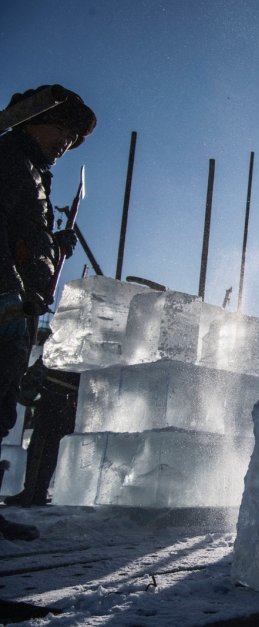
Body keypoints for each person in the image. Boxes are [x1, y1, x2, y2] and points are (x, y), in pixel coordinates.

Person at [0, 85, 95, 539]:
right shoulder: (10, 160)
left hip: (20, 306)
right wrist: (10, 290)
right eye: (63, 130)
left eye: (73, 139)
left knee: (0, 407)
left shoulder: (35, 175)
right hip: (6, 302)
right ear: (33, 118)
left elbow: (24, 241)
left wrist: (54, 247)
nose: (67, 143)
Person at [4, 357, 79, 507]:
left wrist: (27, 395)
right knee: (44, 449)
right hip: (60, 403)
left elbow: (37, 372)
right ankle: (34, 491)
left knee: (44, 449)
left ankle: (34, 493)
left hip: (57, 404)